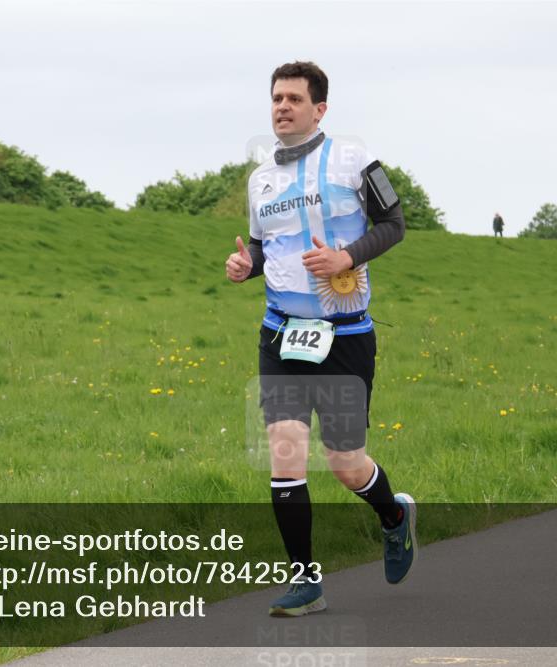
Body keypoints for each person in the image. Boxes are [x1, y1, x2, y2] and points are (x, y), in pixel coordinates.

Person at [225, 61, 417, 617]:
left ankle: (394, 515)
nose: (282, 107)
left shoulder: (355, 160)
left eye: (293, 99)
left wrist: (346, 256)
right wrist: (246, 264)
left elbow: (395, 225)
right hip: (281, 335)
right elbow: (268, 250)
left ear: (320, 109)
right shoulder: (260, 180)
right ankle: (306, 582)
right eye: (276, 98)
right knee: (285, 455)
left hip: (345, 335)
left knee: (345, 463)